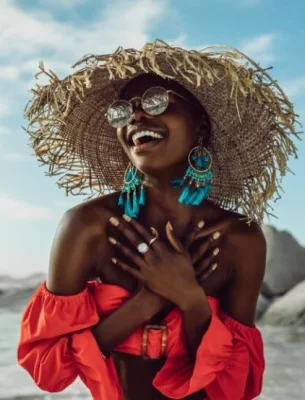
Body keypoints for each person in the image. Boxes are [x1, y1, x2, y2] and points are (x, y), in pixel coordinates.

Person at [17, 40, 298, 400]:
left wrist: (191, 300)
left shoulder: (239, 237)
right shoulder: (87, 226)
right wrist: (145, 302)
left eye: (156, 101)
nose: (135, 117)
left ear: (200, 128)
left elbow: (237, 385)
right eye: (122, 112)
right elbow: (48, 368)